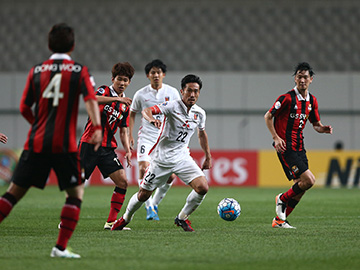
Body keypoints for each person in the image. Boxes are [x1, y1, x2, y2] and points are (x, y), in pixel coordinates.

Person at [0, 23, 102, 258]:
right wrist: (96, 127)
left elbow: (24, 106)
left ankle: (60, 248)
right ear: (73, 45)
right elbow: (90, 100)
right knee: (75, 193)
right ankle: (60, 247)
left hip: (35, 142)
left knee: (13, 194)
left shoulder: (36, 71)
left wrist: (38, 125)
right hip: (64, 145)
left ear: (48, 45)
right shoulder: (79, 71)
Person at [112, 74, 211, 232]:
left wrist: (208, 156)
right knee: (143, 194)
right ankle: (125, 219)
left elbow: (201, 134)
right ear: (182, 91)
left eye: (196, 91)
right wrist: (151, 119)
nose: (192, 95)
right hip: (161, 160)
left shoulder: (200, 113)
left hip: (182, 157)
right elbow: (147, 110)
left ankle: (182, 218)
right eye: (189, 91)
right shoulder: (171, 106)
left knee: (202, 187)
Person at [264, 62, 332, 229]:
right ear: (295, 79)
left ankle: (280, 221)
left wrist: (322, 129)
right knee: (309, 180)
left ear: (311, 80)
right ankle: (282, 199)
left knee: (300, 188)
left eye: (305, 77)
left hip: (300, 147)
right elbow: (268, 116)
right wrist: (276, 137)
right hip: (286, 147)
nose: (302, 80)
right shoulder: (286, 98)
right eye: (299, 77)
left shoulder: (312, 101)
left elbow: (315, 124)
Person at [78, 62, 134, 230]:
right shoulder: (105, 91)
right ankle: (66, 220)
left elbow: (123, 131)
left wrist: (128, 151)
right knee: (77, 184)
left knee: (123, 181)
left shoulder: (125, 105)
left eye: (125, 80)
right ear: (113, 79)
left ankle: (110, 222)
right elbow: (93, 99)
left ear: (129, 82)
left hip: (107, 149)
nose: (122, 83)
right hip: (89, 144)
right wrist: (117, 98)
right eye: (119, 79)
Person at [129, 59, 180, 220]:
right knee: (144, 169)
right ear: (147, 75)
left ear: (163, 74)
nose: (156, 75)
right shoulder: (141, 94)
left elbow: (179, 114)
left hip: (164, 139)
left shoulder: (172, 93)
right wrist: (129, 134)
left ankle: (155, 204)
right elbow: (132, 114)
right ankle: (149, 206)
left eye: (159, 72)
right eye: (153, 72)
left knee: (170, 176)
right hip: (147, 137)